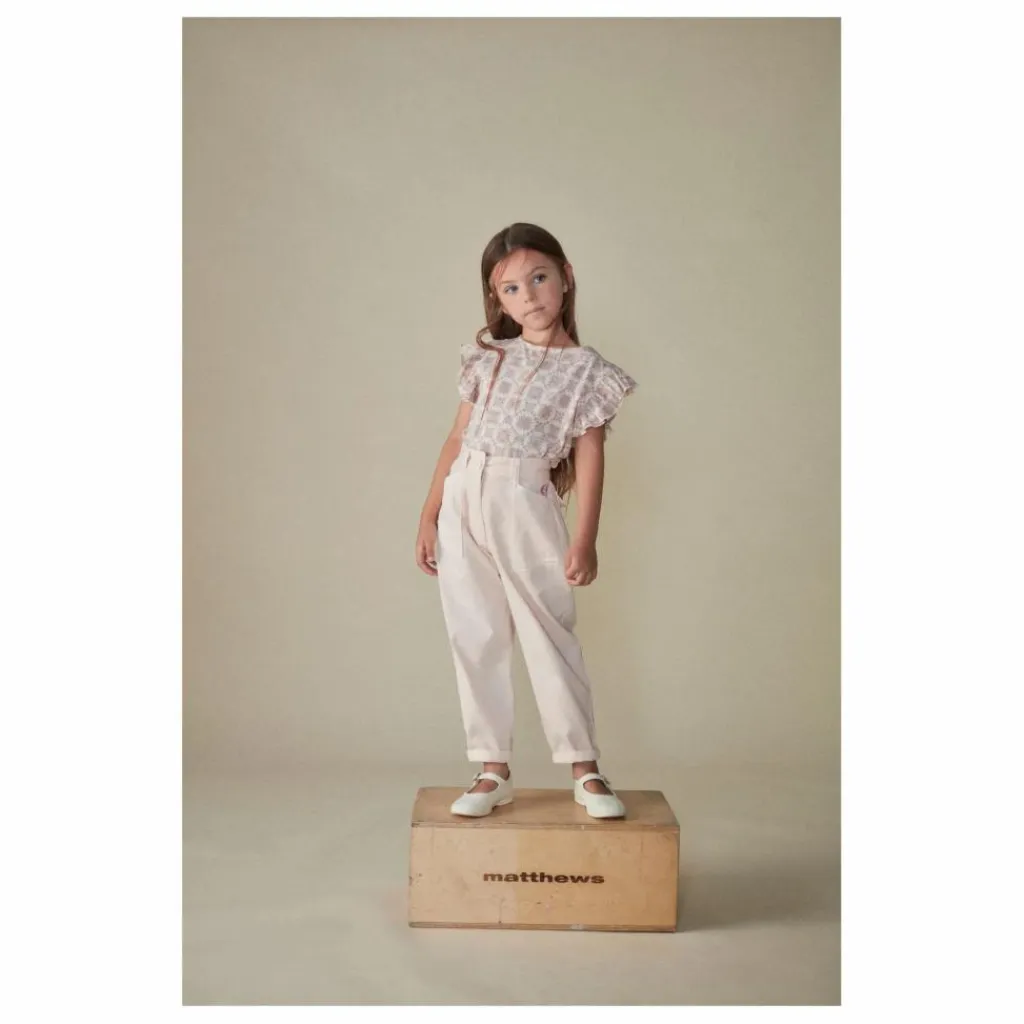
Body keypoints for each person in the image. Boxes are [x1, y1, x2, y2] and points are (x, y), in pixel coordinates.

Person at [414, 222, 638, 820]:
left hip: (524, 499)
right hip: (464, 495)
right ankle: (492, 768)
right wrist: (430, 514)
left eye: (539, 278)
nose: (528, 296)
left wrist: (585, 538)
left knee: (548, 633)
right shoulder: (489, 357)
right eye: (510, 289)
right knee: (474, 632)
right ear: (498, 299)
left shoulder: (589, 372)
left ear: (566, 277)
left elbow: (590, 458)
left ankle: (585, 768)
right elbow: (456, 437)